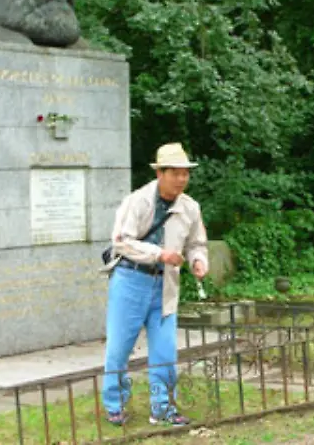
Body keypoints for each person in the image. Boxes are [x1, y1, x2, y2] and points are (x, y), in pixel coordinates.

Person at [101, 142, 208, 427]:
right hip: (130, 279)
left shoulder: (190, 207)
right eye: (176, 173)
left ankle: (162, 406)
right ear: (160, 173)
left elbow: (197, 243)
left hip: (166, 284)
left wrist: (199, 260)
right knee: (119, 349)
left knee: (165, 351)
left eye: (186, 173)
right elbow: (121, 241)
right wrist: (159, 254)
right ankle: (115, 404)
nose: (182, 179)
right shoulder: (137, 201)